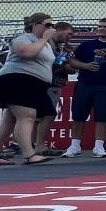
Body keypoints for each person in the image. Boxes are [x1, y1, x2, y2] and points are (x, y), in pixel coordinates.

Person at [0, 13, 58, 166]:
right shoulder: (24, 38)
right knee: (27, 115)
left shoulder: (47, 45)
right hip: (17, 79)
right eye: (47, 25)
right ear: (35, 25)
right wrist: (43, 39)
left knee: (9, 120)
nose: (50, 28)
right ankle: (29, 154)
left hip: (35, 83)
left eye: (52, 25)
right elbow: (26, 52)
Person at [65, 18, 106, 157]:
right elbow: (72, 61)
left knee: (103, 117)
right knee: (78, 115)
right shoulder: (86, 45)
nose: (101, 28)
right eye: (99, 26)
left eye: (105, 26)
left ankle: (99, 146)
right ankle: (74, 146)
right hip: (85, 83)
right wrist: (85, 66)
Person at [34, 21, 74, 158]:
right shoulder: (46, 43)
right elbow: (52, 63)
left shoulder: (57, 46)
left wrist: (67, 55)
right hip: (46, 82)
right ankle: (37, 145)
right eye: (69, 33)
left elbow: (66, 67)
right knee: (46, 114)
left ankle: (33, 144)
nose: (70, 37)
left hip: (53, 82)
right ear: (59, 30)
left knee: (39, 115)